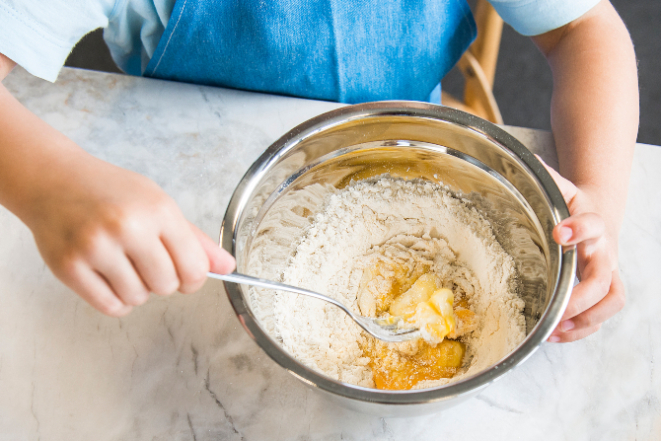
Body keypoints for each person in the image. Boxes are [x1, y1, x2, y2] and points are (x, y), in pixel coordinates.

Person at [0, 0, 638, 343]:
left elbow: (583, 29)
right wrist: (48, 183)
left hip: (414, 166)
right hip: (174, 213)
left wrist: (598, 204)